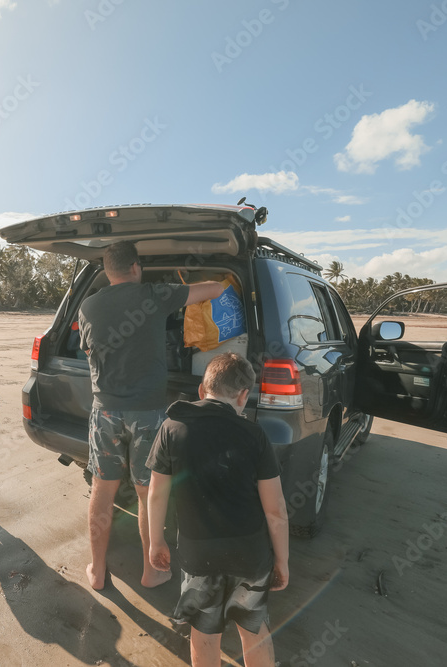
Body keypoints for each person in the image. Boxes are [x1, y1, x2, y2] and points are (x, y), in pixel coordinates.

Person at [77, 240, 224, 590]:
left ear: (107, 271)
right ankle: (151, 571)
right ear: (135, 267)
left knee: (102, 490)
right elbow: (214, 290)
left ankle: (97, 570)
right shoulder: (155, 295)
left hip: (105, 411)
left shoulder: (88, 305)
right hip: (147, 413)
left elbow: (88, 349)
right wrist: (214, 279)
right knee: (148, 493)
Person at [146, 352, 289, 667]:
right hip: (249, 555)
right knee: (253, 629)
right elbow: (276, 510)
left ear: (202, 390)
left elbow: (156, 494)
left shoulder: (172, 428)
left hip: (199, 556)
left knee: (205, 631)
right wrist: (282, 560)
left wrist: (156, 542)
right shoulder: (255, 435)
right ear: (243, 395)